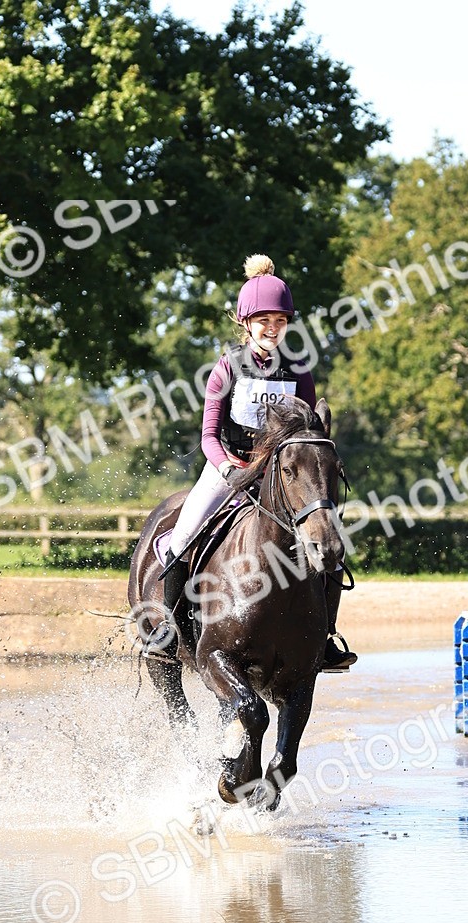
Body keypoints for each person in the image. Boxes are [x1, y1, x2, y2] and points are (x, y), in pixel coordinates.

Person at [154, 253, 356, 671]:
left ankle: (326, 639)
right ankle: (167, 630)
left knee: (330, 545)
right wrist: (229, 469)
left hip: (281, 475)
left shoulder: (299, 371)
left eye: (280, 322)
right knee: (182, 535)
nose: (272, 329)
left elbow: (305, 433)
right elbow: (208, 436)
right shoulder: (226, 369)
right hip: (227, 467)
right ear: (245, 323)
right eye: (264, 321)